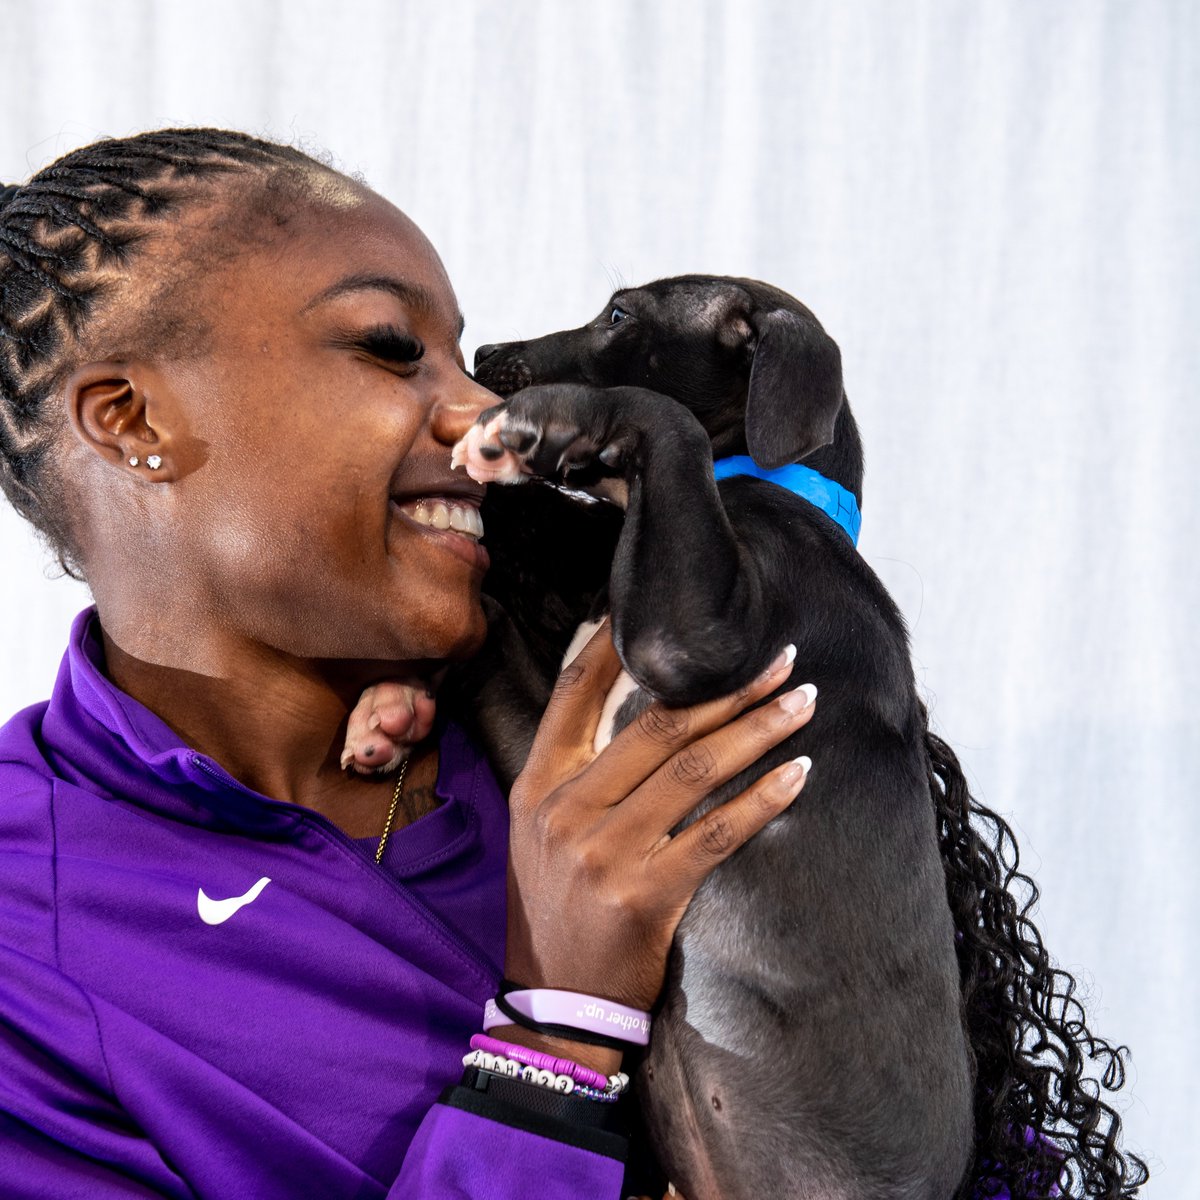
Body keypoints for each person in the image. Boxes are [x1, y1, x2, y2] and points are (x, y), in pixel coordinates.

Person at [0, 129, 817, 1199]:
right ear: (130, 419)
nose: (484, 410)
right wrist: (557, 1042)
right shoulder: (27, 946)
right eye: (389, 348)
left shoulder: (627, 687)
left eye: (465, 361)